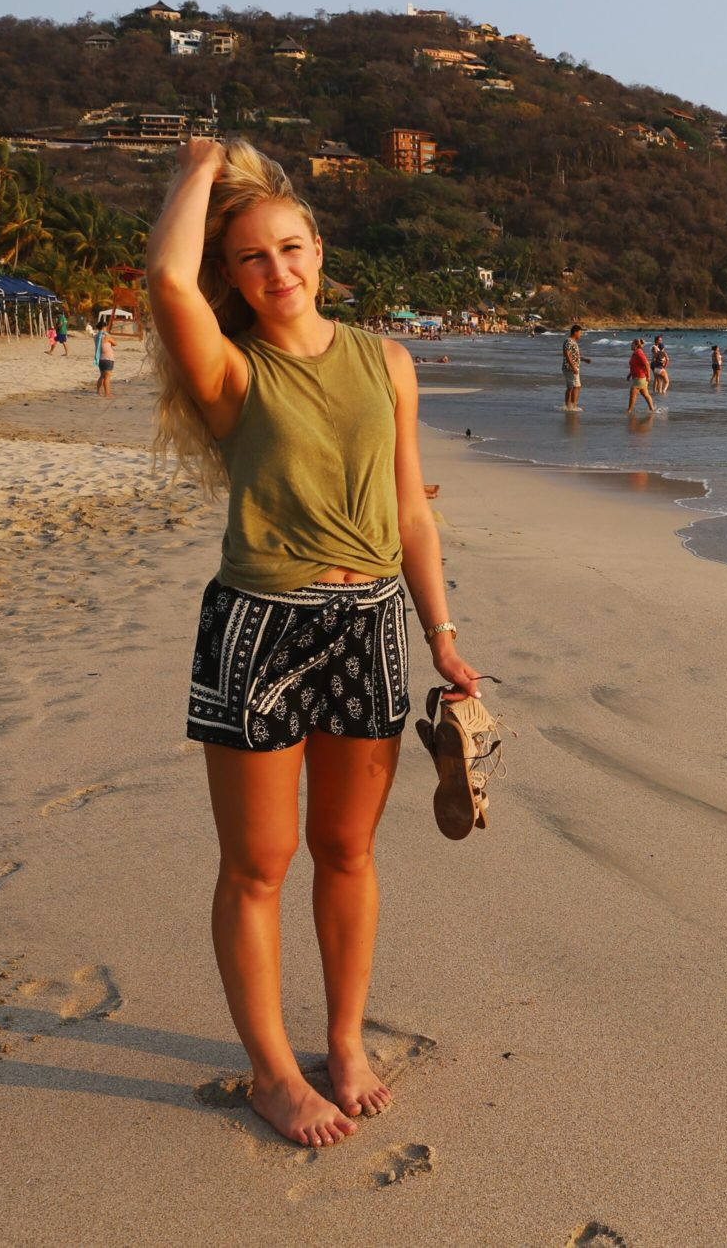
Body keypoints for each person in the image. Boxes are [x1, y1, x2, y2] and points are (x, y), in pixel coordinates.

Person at [144, 137, 483, 1149]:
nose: (277, 270)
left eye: (290, 248)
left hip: (372, 624)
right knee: (259, 863)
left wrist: (445, 635)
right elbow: (165, 275)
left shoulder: (387, 361)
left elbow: (410, 512)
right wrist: (200, 168)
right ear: (232, 278)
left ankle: (342, 1041)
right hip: (259, 626)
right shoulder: (231, 373)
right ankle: (270, 1071)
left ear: (320, 249)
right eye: (251, 258)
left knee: (348, 849)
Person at [626, 336, 656, 414]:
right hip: (638, 377)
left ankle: (629, 411)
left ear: (636, 345)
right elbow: (635, 365)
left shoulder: (639, 353)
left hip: (640, 378)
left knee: (633, 394)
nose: (631, 345)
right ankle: (652, 409)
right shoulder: (636, 353)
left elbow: (646, 364)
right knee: (645, 394)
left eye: (632, 344)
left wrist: (649, 376)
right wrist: (630, 374)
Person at [562, 324, 588, 411]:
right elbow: (567, 354)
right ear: (575, 332)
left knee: (575, 386)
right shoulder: (569, 341)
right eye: (580, 333)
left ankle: (572, 405)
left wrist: (584, 359)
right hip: (569, 368)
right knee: (572, 387)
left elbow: (575, 356)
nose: (581, 334)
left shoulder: (573, 342)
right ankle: (570, 406)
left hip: (573, 368)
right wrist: (573, 367)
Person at [93, 318, 115, 396]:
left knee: (102, 375)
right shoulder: (106, 336)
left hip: (100, 358)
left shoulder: (96, 336)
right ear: (104, 327)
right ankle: (107, 393)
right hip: (108, 358)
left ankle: (98, 391)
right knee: (107, 376)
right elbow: (115, 343)